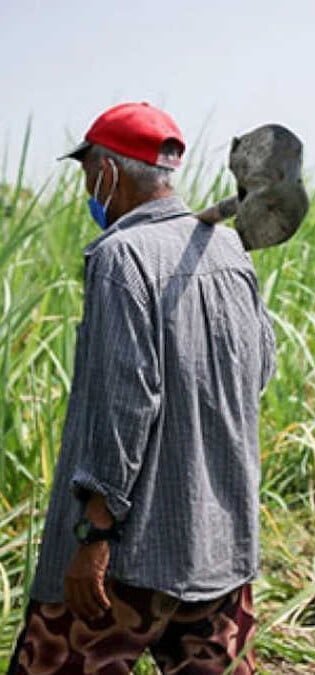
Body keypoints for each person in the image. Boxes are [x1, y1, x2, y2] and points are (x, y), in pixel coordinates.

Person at [7, 102, 276, 675]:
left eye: (87, 174)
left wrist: (95, 535)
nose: (87, 187)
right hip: (217, 546)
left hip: (125, 561)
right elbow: (259, 373)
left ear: (107, 172)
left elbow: (123, 405)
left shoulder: (119, 259)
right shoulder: (230, 252)